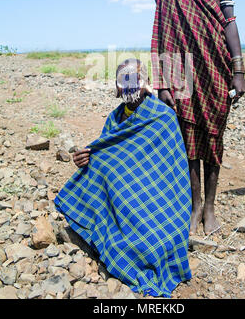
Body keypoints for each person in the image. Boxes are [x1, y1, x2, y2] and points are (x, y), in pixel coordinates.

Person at [54, 59, 192, 298]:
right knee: (98, 169)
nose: (129, 87)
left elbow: (174, 175)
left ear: (146, 85)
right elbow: (109, 160)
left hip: (157, 204)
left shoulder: (164, 118)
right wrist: (85, 160)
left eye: (134, 80)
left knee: (154, 246)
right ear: (117, 89)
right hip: (124, 201)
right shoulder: (115, 119)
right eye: (123, 81)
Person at [151, 0, 245, 236]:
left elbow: (229, 23)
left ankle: (210, 208)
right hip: (181, 72)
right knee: (189, 141)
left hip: (216, 66)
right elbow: (165, 32)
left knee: (213, 138)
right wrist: (163, 81)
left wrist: (238, 70)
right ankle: (195, 206)